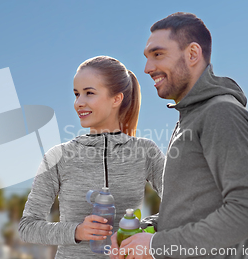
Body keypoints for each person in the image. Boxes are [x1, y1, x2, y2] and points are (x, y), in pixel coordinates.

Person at [109, 13, 248, 259]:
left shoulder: (221, 113)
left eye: (158, 54)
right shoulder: (192, 116)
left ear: (192, 54)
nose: (147, 68)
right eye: (147, 57)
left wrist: (155, 246)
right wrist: (140, 231)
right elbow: (190, 210)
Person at [18, 56, 166, 258]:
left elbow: (183, 206)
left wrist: (142, 227)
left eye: (89, 93)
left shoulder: (146, 151)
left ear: (116, 99)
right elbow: (28, 226)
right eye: (76, 94)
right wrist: (76, 231)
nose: (79, 103)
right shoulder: (58, 156)